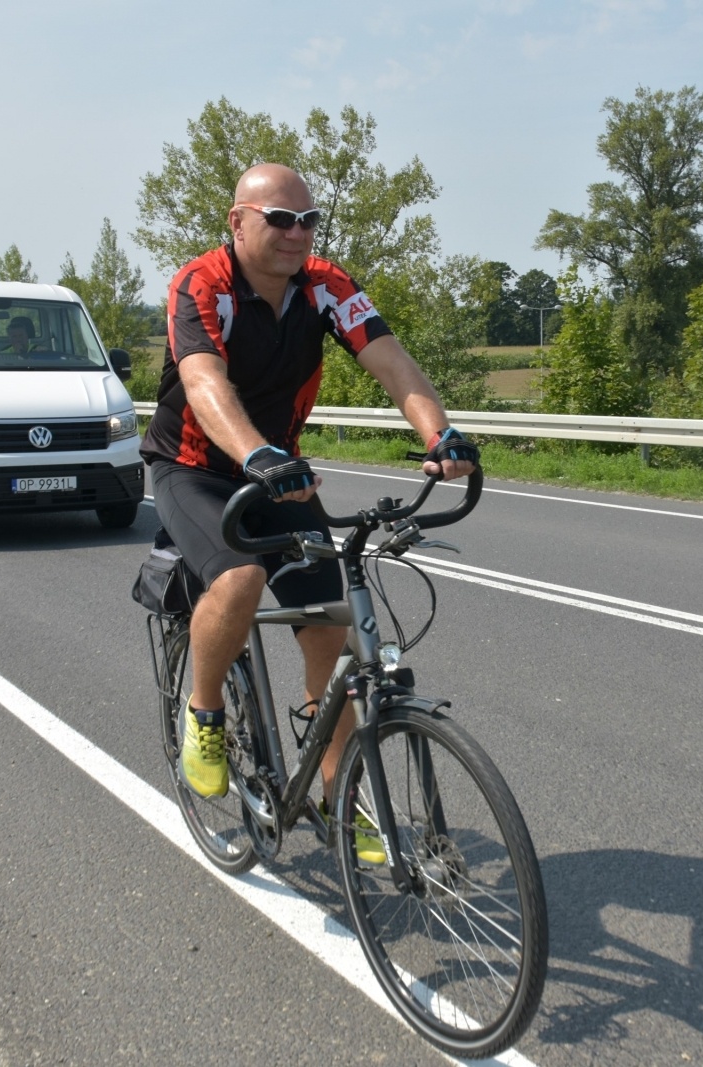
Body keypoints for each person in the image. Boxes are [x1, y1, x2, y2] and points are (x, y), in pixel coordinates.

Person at [141, 163, 478, 848]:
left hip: (281, 475)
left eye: (309, 220)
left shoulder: (325, 286)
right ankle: (204, 716)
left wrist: (439, 433)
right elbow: (202, 381)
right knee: (239, 578)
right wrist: (256, 453)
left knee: (331, 625)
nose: (298, 234)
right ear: (238, 222)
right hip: (195, 469)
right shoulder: (201, 284)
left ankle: (339, 798)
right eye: (279, 219)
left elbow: (391, 361)